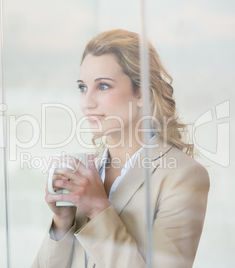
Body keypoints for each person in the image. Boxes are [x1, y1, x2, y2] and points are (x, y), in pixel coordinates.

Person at [32, 29, 210, 268]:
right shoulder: (88, 174)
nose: (87, 102)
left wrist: (98, 209)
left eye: (103, 86)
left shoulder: (182, 176)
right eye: (82, 87)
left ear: (142, 93)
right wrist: (62, 222)